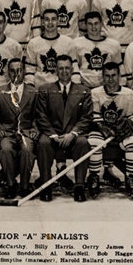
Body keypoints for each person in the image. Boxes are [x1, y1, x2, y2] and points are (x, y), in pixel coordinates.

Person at [35, 55, 93, 202]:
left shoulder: (84, 90)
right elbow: (41, 117)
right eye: (60, 68)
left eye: (67, 68)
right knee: (43, 143)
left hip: (73, 135)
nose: (64, 71)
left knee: (83, 143)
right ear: (55, 70)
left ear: (72, 70)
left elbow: (86, 118)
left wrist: (72, 134)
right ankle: (46, 185)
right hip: (52, 134)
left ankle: (79, 186)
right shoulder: (45, 90)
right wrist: (53, 135)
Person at [86, 62, 133, 199]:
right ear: (103, 77)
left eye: (113, 76)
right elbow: (94, 117)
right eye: (107, 76)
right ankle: (94, 177)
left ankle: (131, 179)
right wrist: (104, 128)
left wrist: (128, 124)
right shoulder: (95, 93)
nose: (110, 79)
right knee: (93, 141)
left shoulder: (128, 94)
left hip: (121, 132)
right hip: (102, 131)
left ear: (119, 76)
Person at [0, 59, 38, 199]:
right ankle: (11, 185)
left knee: (27, 150)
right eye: (12, 70)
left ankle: (25, 186)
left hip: (26, 131)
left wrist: (35, 129)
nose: (16, 74)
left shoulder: (33, 91)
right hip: (7, 132)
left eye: (19, 70)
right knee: (6, 149)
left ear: (24, 72)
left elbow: (38, 115)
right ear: (8, 73)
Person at [25, 8, 81, 87]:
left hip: (62, 89)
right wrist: (30, 88)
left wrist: (75, 88)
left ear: (58, 21)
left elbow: (74, 69)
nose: (50, 22)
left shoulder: (68, 42)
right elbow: (29, 70)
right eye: (47, 19)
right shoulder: (33, 43)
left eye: (53, 19)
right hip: (40, 88)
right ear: (42, 22)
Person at [74, 11, 124, 89]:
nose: (93, 27)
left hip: (106, 89)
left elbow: (119, 67)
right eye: (90, 24)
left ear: (101, 24)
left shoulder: (113, 44)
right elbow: (74, 66)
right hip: (85, 87)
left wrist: (122, 86)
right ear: (85, 25)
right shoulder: (77, 43)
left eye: (96, 23)